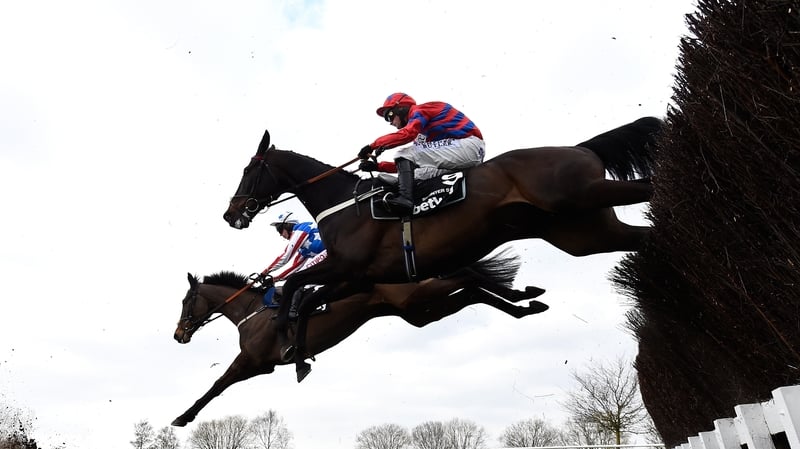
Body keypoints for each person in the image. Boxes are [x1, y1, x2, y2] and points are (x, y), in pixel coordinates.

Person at [357, 92, 486, 213]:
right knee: (415, 174)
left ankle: (405, 200)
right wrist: (378, 167)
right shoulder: (421, 135)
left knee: (404, 152)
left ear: (401, 108)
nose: (390, 122)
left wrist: (372, 146)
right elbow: (412, 164)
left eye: (389, 115)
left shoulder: (420, 110)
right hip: (463, 155)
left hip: (469, 145)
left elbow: (407, 135)